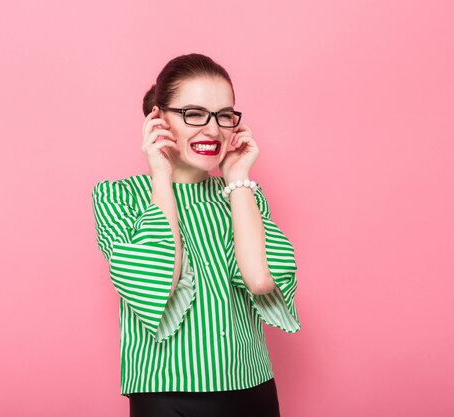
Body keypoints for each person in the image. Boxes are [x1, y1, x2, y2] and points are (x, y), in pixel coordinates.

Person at [91, 53, 300, 417]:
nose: (214, 130)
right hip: (167, 393)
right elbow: (157, 280)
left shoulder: (243, 195)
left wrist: (237, 177)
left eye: (224, 115)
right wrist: (160, 173)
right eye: (194, 113)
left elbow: (261, 279)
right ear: (157, 119)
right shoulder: (116, 196)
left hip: (252, 386)